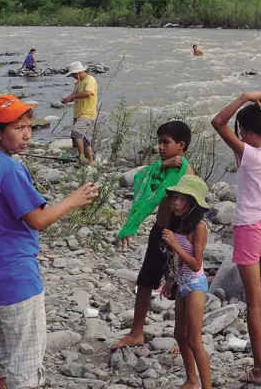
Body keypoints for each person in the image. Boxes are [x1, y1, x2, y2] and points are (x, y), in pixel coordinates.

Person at [0, 95, 98, 389]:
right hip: (14, 279)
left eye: (29, 127)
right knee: (26, 367)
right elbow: (37, 219)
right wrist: (73, 200)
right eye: (18, 128)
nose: (27, 134)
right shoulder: (9, 168)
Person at [211, 91, 261, 385]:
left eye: (241, 131)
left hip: (250, 229)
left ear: (249, 133)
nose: (238, 135)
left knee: (254, 304)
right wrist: (256, 107)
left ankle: (258, 371)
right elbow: (236, 133)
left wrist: (244, 97)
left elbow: (218, 122)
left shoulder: (248, 154)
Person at [110, 121, 195, 350]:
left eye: (165, 143)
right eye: (159, 142)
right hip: (159, 232)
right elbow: (143, 177)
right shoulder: (165, 167)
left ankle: (183, 338)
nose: (160, 146)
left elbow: (190, 211)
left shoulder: (185, 174)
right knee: (146, 279)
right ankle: (136, 332)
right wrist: (165, 163)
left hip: (176, 237)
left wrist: (183, 243)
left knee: (179, 285)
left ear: (181, 145)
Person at [161, 175, 212, 389]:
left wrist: (175, 244)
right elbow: (177, 260)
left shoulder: (198, 228)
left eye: (183, 199)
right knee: (179, 335)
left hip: (195, 285)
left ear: (194, 204)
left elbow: (196, 263)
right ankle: (192, 380)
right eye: (176, 197)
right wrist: (170, 281)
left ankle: (207, 387)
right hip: (181, 283)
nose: (176, 202)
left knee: (194, 340)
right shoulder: (180, 224)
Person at [61, 61, 97, 166]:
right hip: (78, 113)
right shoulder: (78, 83)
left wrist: (73, 97)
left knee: (76, 132)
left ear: (78, 72)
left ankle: (81, 157)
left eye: (73, 74)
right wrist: (67, 99)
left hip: (87, 113)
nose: (72, 77)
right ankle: (90, 161)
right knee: (83, 138)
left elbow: (88, 93)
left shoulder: (90, 80)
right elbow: (74, 95)